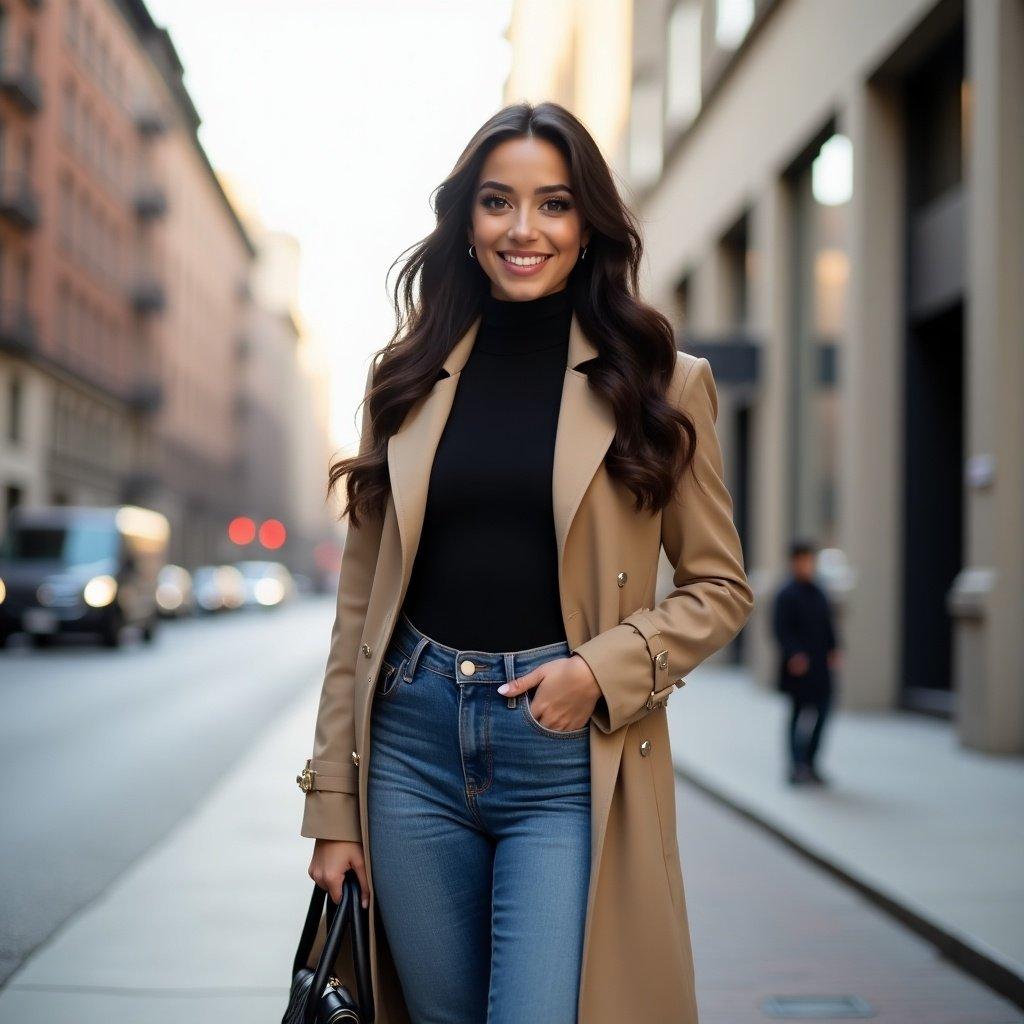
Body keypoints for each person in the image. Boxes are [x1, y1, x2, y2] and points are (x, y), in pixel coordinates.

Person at [300, 101, 753, 1024]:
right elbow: (358, 613)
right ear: (466, 220)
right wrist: (334, 808)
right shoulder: (406, 378)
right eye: (498, 202)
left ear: (588, 224)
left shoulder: (662, 381)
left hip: (565, 755)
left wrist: (601, 669)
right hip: (411, 747)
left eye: (552, 204)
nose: (523, 229)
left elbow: (720, 588)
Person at [771, 539, 841, 786]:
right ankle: (795, 766)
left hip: (821, 666)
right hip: (798, 669)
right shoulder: (786, 594)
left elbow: (828, 624)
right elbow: (780, 630)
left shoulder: (819, 591)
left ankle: (811, 763)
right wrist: (793, 655)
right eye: (802, 560)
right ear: (794, 562)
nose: (807, 565)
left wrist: (834, 649)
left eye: (810, 560)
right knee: (797, 714)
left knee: (822, 714)